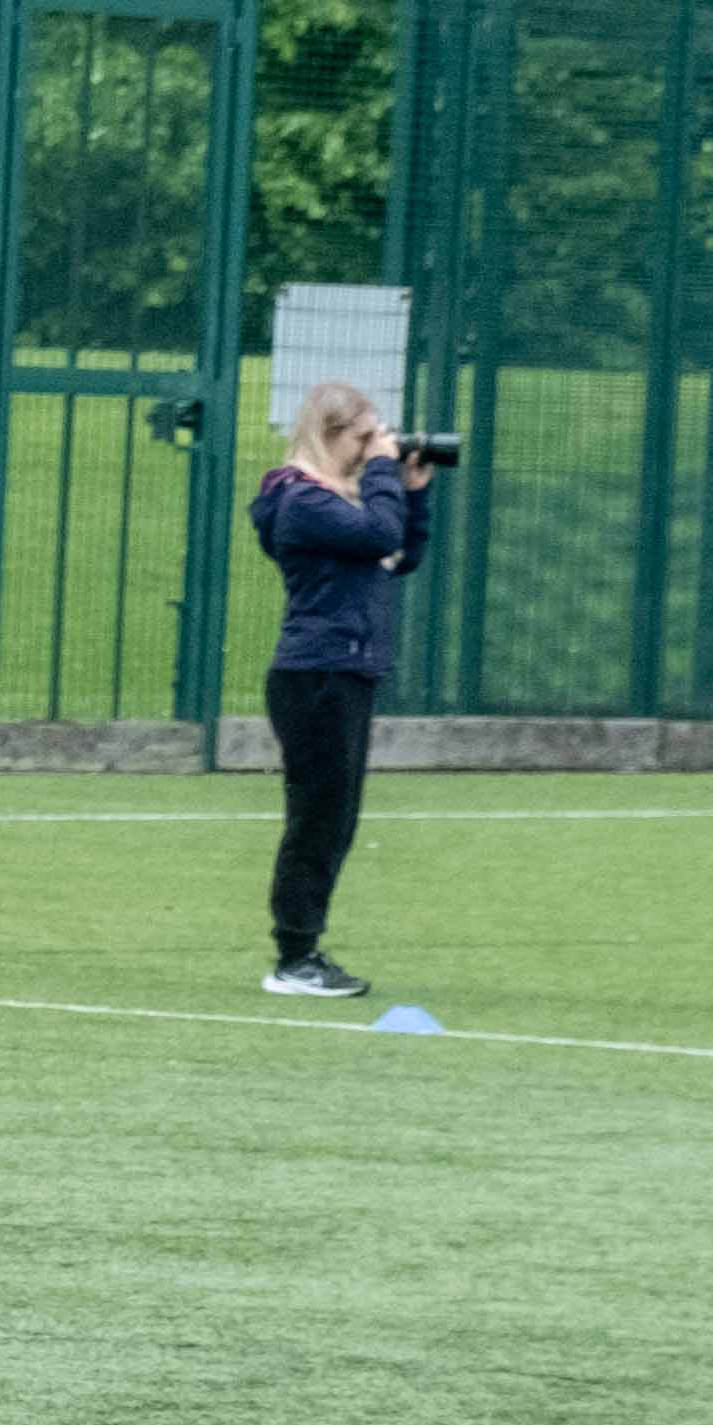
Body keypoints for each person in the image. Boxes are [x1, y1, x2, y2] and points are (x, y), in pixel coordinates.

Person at [249, 381, 438, 1002]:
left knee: (336, 820)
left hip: (344, 672)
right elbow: (379, 536)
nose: (371, 448)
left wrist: (414, 493)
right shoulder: (300, 499)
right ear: (328, 434)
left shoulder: (341, 503)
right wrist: (385, 471)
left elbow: (400, 553)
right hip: (317, 675)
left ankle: (302, 950)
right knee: (318, 821)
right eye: (362, 437)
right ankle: (294, 958)